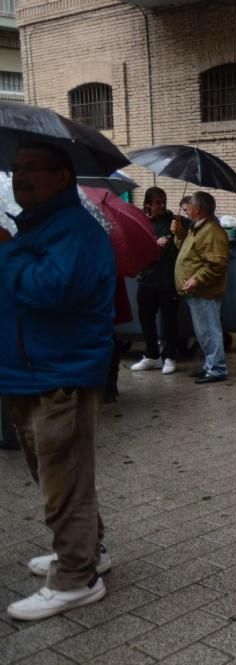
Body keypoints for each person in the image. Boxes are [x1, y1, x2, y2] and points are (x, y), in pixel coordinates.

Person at [0, 142, 115, 620]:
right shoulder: (40, 225)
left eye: (32, 169)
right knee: (59, 477)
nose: (21, 177)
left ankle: (76, 578)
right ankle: (90, 551)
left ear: (63, 177)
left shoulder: (72, 229)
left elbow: (51, 289)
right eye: (17, 169)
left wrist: (6, 252)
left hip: (56, 375)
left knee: (62, 483)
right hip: (31, 372)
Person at [171, 191, 230, 384]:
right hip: (196, 291)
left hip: (204, 291)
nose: (186, 210)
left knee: (209, 330)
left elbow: (217, 264)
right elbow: (188, 253)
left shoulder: (211, 231)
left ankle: (217, 369)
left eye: (190, 207)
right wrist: (179, 234)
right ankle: (210, 366)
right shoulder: (197, 229)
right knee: (203, 331)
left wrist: (197, 279)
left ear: (197, 209)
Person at [130, 187, 181, 376]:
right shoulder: (142, 223)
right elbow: (135, 246)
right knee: (146, 318)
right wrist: (154, 242)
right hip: (146, 279)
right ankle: (152, 355)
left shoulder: (175, 222)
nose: (162, 205)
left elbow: (185, 241)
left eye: (164, 201)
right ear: (148, 205)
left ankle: (170, 357)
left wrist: (177, 233)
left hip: (168, 280)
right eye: (158, 202)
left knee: (169, 320)